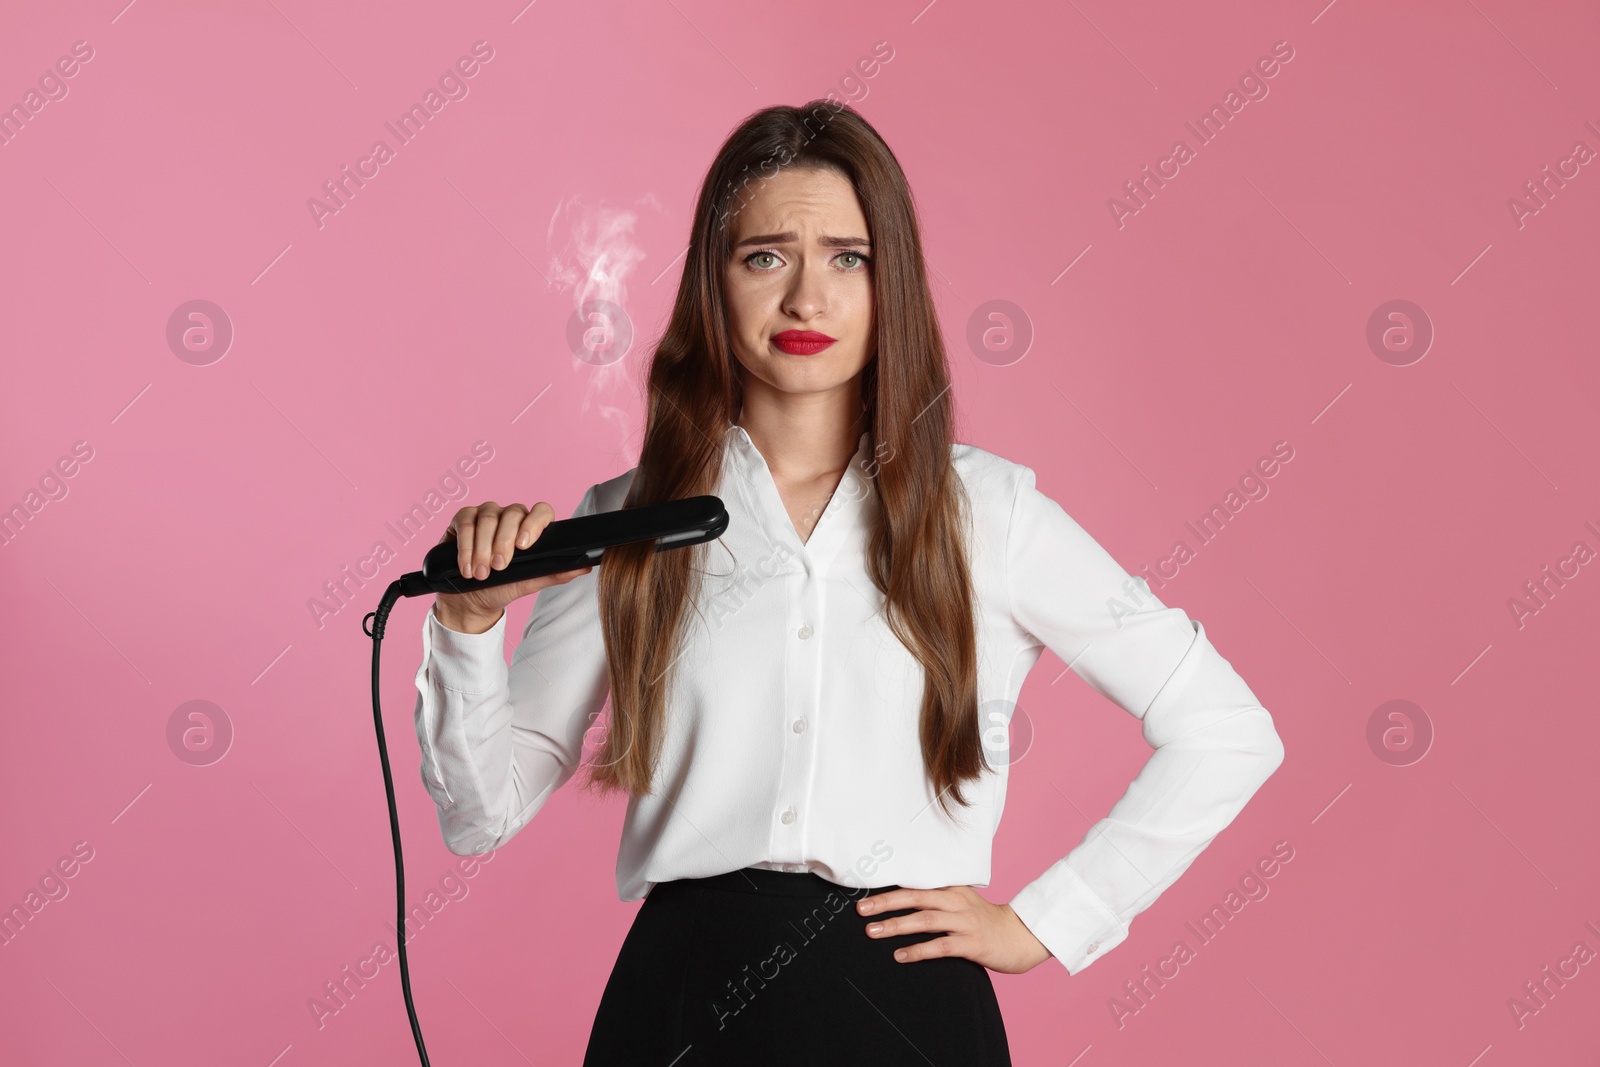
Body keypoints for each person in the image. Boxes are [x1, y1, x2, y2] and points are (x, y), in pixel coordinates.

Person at [411, 100, 1285, 1066]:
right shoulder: (628, 518)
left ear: (890, 283)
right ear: (714, 281)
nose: (806, 300)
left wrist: (1048, 922)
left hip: (907, 1010)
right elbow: (477, 812)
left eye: (847, 258)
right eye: (764, 257)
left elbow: (1226, 728)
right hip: (681, 1006)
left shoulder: (985, 511)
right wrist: (466, 622)